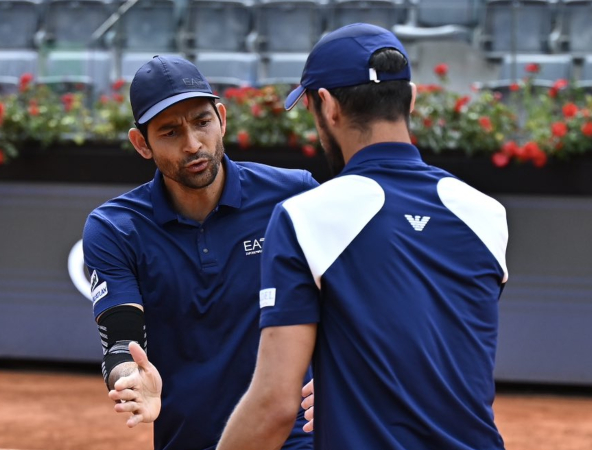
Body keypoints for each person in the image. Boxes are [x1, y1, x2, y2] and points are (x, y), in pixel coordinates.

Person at [215, 23, 510, 450]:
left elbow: (274, 407)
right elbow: (435, 355)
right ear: (411, 99)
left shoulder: (303, 216)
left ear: (327, 106)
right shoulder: (488, 215)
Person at [81, 55, 316, 450]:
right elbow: (120, 342)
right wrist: (130, 377)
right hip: (187, 438)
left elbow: (354, 301)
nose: (193, 145)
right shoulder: (114, 228)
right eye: (170, 132)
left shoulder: (296, 195)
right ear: (142, 144)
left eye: (202, 122)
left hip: (294, 438)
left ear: (222, 119)